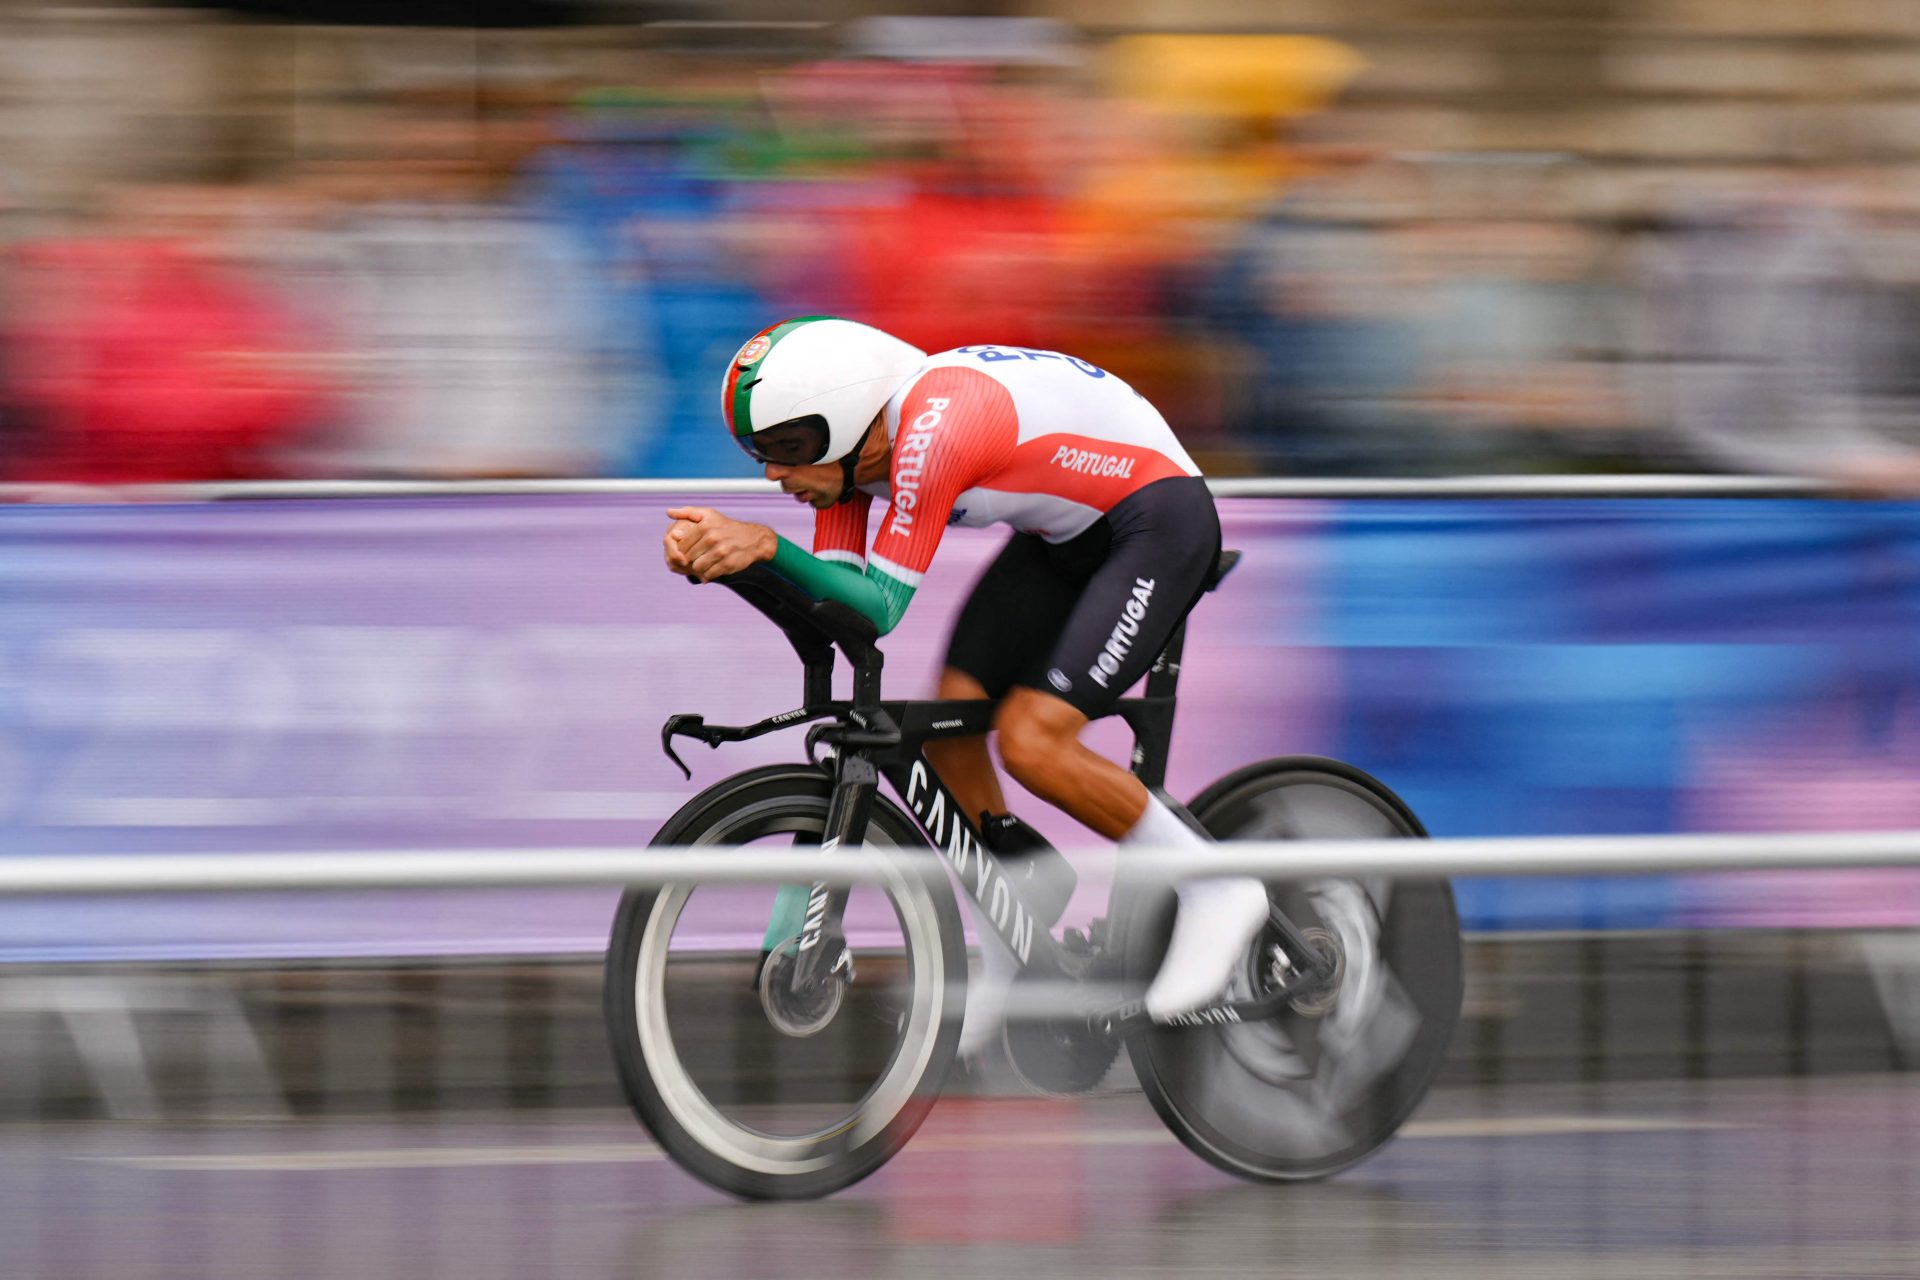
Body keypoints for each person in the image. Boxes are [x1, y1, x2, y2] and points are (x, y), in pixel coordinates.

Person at [661, 314, 1270, 1052]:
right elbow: (837, 609)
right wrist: (741, 566)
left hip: (1156, 523)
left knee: (1032, 741)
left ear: (851, 421)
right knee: (952, 735)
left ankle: (1221, 888)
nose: (773, 474)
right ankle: (1017, 929)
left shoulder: (933, 430)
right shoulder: (850, 462)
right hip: (1065, 538)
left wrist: (764, 547)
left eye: (789, 448)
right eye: (759, 453)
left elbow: (878, 609)